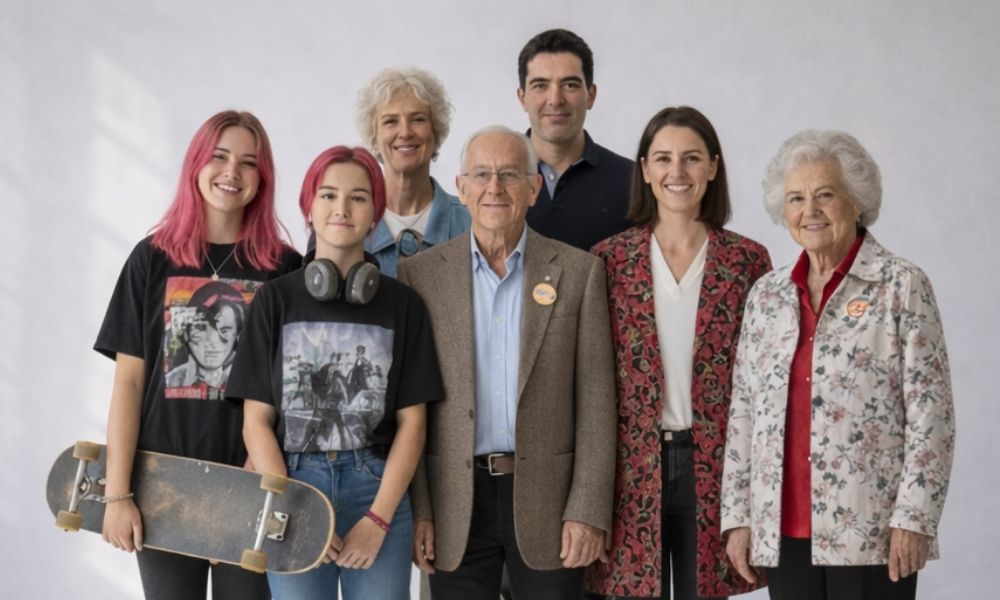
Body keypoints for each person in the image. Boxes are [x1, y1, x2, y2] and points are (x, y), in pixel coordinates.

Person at [721, 129, 956, 600]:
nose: (810, 211)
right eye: (796, 198)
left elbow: (933, 418)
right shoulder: (766, 296)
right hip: (782, 530)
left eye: (825, 194)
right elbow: (744, 413)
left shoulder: (901, 286)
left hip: (872, 531)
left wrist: (914, 520)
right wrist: (738, 519)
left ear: (856, 200)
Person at [396, 125, 617, 600]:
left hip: (551, 504)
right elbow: (410, 408)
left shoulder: (580, 274)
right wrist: (421, 511)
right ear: (461, 187)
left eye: (509, 175)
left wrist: (587, 509)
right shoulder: (419, 277)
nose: (494, 188)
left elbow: (598, 403)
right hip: (456, 504)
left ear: (534, 188)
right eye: (480, 175)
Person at [94, 110, 301, 600]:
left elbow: (293, 390)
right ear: (196, 164)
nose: (232, 173)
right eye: (219, 156)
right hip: (163, 488)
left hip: (250, 487)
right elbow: (128, 383)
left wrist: (258, 475)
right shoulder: (151, 259)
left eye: (248, 163)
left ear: (262, 179)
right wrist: (117, 492)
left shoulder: (283, 268)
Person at [228, 145, 444, 600]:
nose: (341, 209)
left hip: (377, 488)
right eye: (327, 195)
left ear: (375, 212)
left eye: (358, 198)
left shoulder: (403, 305)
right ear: (308, 207)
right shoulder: (275, 300)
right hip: (292, 483)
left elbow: (413, 424)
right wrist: (295, 508)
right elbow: (256, 422)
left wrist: (379, 519)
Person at [586, 107, 771, 600]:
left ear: (713, 166)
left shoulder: (747, 261)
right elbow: (593, 383)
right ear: (644, 170)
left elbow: (761, 387)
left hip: (713, 467)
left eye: (691, 158)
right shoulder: (609, 260)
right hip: (631, 469)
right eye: (663, 158)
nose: (677, 172)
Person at [517, 28, 634, 251]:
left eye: (570, 85)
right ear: (522, 98)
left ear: (590, 95)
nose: (555, 99)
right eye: (540, 85)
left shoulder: (634, 183)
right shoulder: (493, 182)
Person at [355, 66, 471, 276]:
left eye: (417, 119)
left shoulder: (471, 221)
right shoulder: (351, 221)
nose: (405, 132)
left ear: (435, 130)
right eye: (390, 121)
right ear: (374, 136)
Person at [164, 280, 247, 395]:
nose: (212, 341)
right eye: (201, 328)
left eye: (224, 331)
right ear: (187, 333)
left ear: (237, 335)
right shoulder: (170, 381)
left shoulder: (246, 381)